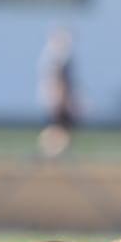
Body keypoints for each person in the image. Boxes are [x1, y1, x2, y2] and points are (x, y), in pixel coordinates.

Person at [37, 26, 78, 158]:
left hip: (59, 100)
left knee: (61, 129)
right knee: (59, 129)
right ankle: (50, 152)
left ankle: (52, 152)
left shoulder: (54, 57)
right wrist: (62, 100)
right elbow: (59, 81)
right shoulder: (58, 59)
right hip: (59, 101)